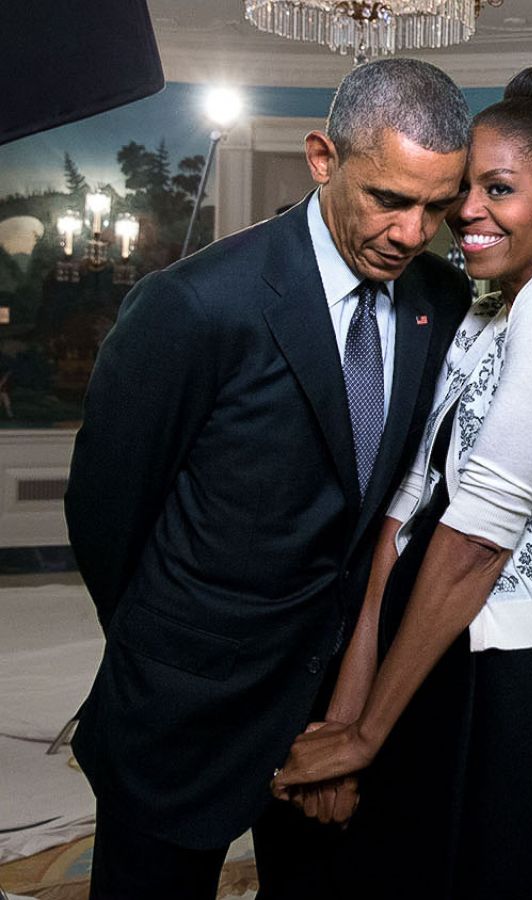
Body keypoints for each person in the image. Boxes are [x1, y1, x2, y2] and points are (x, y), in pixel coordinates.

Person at [63, 58, 472, 900]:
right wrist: (171, 654)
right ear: (324, 158)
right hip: (181, 713)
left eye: (436, 206)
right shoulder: (196, 303)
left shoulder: (441, 301)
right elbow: (107, 511)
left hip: (335, 714)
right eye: (389, 199)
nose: (411, 232)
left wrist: (350, 710)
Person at [273, 66, 532, 899]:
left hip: (531, 672)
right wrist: (349, 717)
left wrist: (367, 731)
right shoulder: (483, 310)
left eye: (500, 189)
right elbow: (398, 528)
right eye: (464, 188)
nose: (467, 211)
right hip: (433, 645)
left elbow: (480, 531)